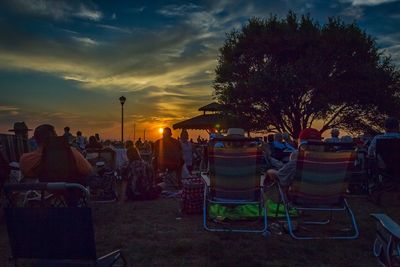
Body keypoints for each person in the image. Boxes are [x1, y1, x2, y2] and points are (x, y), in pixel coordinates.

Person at [20, 124, 92, 183]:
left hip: (44, 191)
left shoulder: (26, 159)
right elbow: (88, 170)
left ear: (36, 140)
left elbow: (26, 175)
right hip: (69, 189)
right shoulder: (71, 152)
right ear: (55, 138)